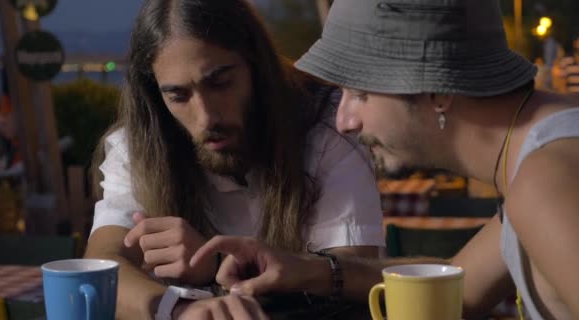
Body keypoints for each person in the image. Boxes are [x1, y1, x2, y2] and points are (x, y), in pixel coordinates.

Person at [191, 0, 579, 319]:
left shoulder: (547, 181)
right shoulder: (536, 162)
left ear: (438, 90)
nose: (344, 121)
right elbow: (456, 291)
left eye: (359, 93)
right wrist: (305, 270)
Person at [83, 0, 384, 319]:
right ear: (156, 96)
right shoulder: (139, 147)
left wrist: (215, 265)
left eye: (221, 83)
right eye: (178, 96)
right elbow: (101, 266)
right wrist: (183, 311)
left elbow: (353, 275)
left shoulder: (328, 126)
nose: (206, 117)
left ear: (257, 67)